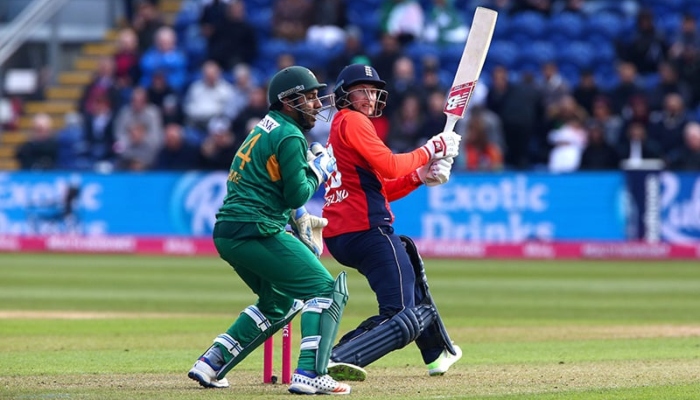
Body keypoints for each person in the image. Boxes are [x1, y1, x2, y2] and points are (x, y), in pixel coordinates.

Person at [187, 66, 361, 395]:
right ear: (287, 101)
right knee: (326, 289)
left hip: (229, 231)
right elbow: (297, 192)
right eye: (308, 97)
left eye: (315, 97)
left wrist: (298, 219)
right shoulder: (292, 135)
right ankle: (311, 372)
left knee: (278, 302)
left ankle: (212, 363)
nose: (315, 104)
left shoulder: (265, 129)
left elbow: (278, 190)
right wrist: (321, 169)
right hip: (257, 228)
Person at [320, 64, 463, 381]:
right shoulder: (353, 120)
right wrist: (431, 149)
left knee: (406, 256)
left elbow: (381, 186)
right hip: (365, 228)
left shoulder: (341, 127)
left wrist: (419, 177)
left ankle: (437, 351)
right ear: (345, 94)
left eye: (373, 90)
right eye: (362, 90)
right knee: (400, 313)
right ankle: (335, 356)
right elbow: (389, 164)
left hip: (344, 234)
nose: (370, 97)